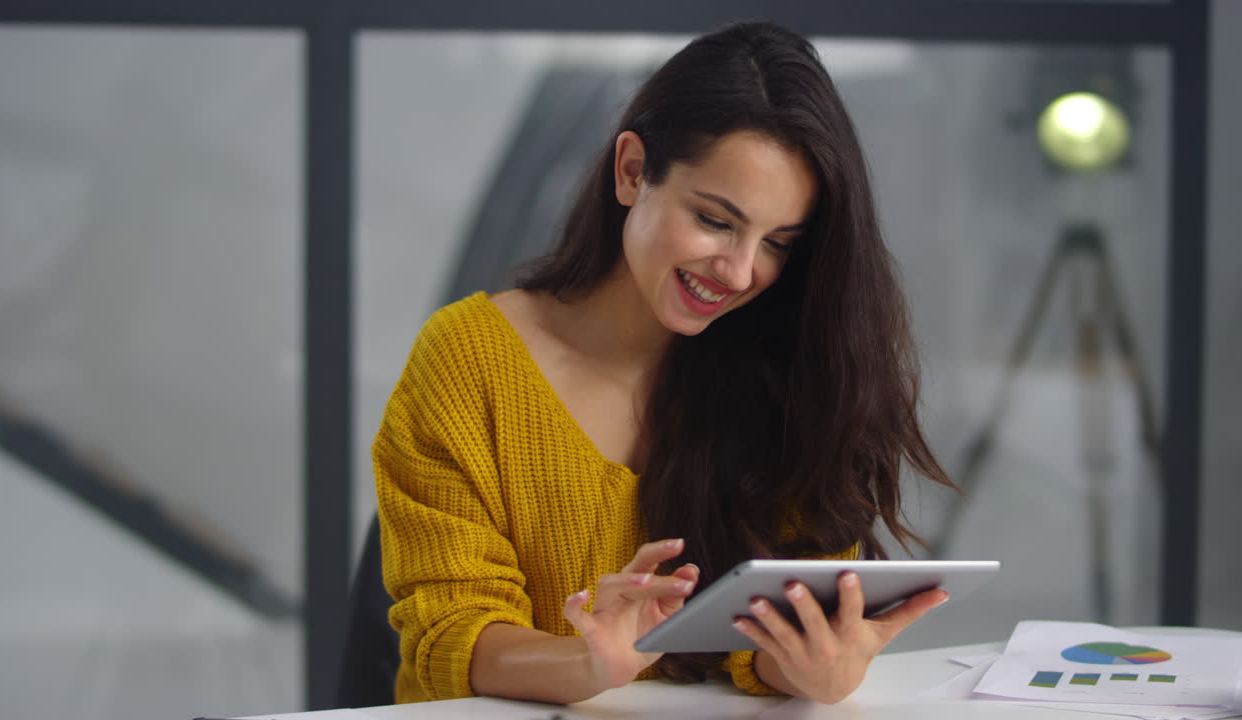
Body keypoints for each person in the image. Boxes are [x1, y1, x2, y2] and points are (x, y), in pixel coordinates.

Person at [372, 20, 956, 706]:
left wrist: (810, 665)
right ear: (631, 171)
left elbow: (768, 637)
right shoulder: (468, 360)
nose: (740, 271)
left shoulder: (787, 371)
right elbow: (449, 633)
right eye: (715, 220)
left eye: (778, 243)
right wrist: (591, 663)